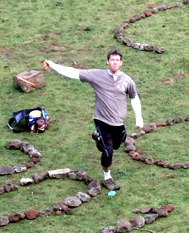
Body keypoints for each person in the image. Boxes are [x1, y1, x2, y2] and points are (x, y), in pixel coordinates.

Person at [43, 50, 143, 191]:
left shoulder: (127, 80)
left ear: (121, 63)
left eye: (117, 60)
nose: (114, 62)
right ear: (107, 61)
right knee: (108, 152)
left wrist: (139, 118)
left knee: (117, 144)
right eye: (112, 59)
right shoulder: (97, 75)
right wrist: (53, 65)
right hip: (101, 120)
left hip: (118, 122)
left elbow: (134, 97)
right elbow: (73, 72)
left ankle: (99, 140)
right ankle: (107, 178)